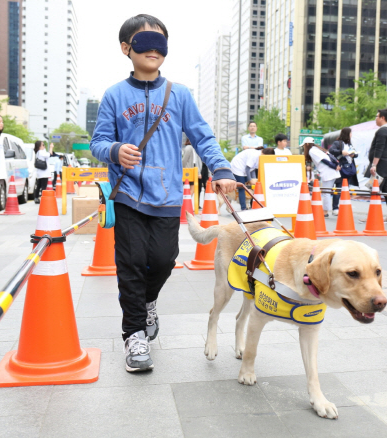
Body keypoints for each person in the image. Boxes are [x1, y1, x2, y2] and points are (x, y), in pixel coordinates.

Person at [90, 14, 236, 373]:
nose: (153, 49)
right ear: (126, 49)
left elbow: (202, 136)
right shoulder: (114, 95)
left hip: (168, 197)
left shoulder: (180, 94)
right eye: (143, 42)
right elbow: (98, 142)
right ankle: (134, 334)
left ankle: (148, 300)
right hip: (127, 196)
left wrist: (220, 169)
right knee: (131, 264)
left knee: (164, 259)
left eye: (161, 43)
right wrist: (114, 151)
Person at [365, 108, 387, 224]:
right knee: (386, 190)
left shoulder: (383, 131)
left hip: (381, 166)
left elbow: (379, 149)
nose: (376, 119)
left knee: (375, 190)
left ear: (382, 118)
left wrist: (374, 165)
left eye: (377, 116)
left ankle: (374, 217)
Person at [304, 137, 341, 217]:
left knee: (326, 193)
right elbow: (329, 156)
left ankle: (325, 212)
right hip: (331, 172)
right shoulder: (317, 149)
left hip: (328, 172)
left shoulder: (312, 151)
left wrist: (334, 166)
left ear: (307, 144)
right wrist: (336, 165)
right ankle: (325, 210)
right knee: (327, 192)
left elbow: (324, 160)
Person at [329, 127, 358, 215]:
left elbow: (355, 154)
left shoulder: (350, 144)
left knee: (346, 188)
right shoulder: (338, 143)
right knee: (338, 187)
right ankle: (335, 208)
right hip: (340, 168)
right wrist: (342, 152)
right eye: (350, 133)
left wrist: (353, 155)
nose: (351, 135)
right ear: (347, 134)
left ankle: (344, 206)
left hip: (348, 168)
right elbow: (331, 150)